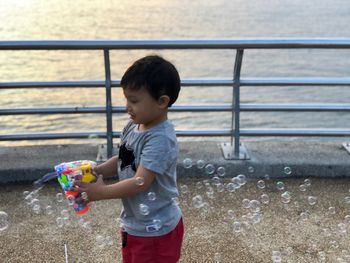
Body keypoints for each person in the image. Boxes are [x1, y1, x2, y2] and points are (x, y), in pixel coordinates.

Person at [74, 55, 184, 263]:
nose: (127, 106)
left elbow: (140, 181)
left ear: (162, 102)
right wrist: (97, 170)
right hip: (135, 223)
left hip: (155, 230)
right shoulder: (133, 126)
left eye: (134, 101)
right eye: (126, 99)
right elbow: (124, 159)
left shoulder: (161, 139)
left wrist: (101, 192)